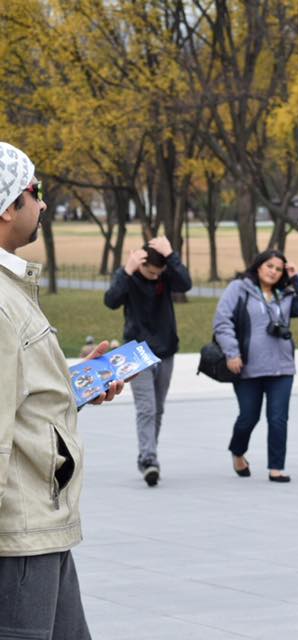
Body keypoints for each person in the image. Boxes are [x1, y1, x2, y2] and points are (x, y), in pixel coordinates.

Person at [0, 141, 125, 639]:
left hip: (40, 525)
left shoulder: (11, 289)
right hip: (17, 538)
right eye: (35, 191)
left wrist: (73, 383)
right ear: (7, 207)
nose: (44, 203)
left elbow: (20, 395)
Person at [213, 250, 298, 483]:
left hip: (282, 367)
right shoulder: (239, 288)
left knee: (278, 418)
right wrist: (232, 353)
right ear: (259, 266)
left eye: (279, 269)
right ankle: (238, 452)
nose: (274, 272)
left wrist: (297, 277)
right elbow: (222, 321)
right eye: (270, 266)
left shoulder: (286, 293)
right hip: (247, 366)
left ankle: (276, 467)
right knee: (248, 417)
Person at [103, 236, 193, 487]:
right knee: (146, 408)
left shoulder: (166, 274)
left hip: (165, 349)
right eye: (150, 272)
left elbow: (185, 284)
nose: (154, 276)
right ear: (140, 263)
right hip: (136, 353)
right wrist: (126, 271)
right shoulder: (129, 276)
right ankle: (148, 459)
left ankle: (148, 455)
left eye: (158, 273)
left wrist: (171, 255)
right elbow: (110, 301)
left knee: (158, 409)